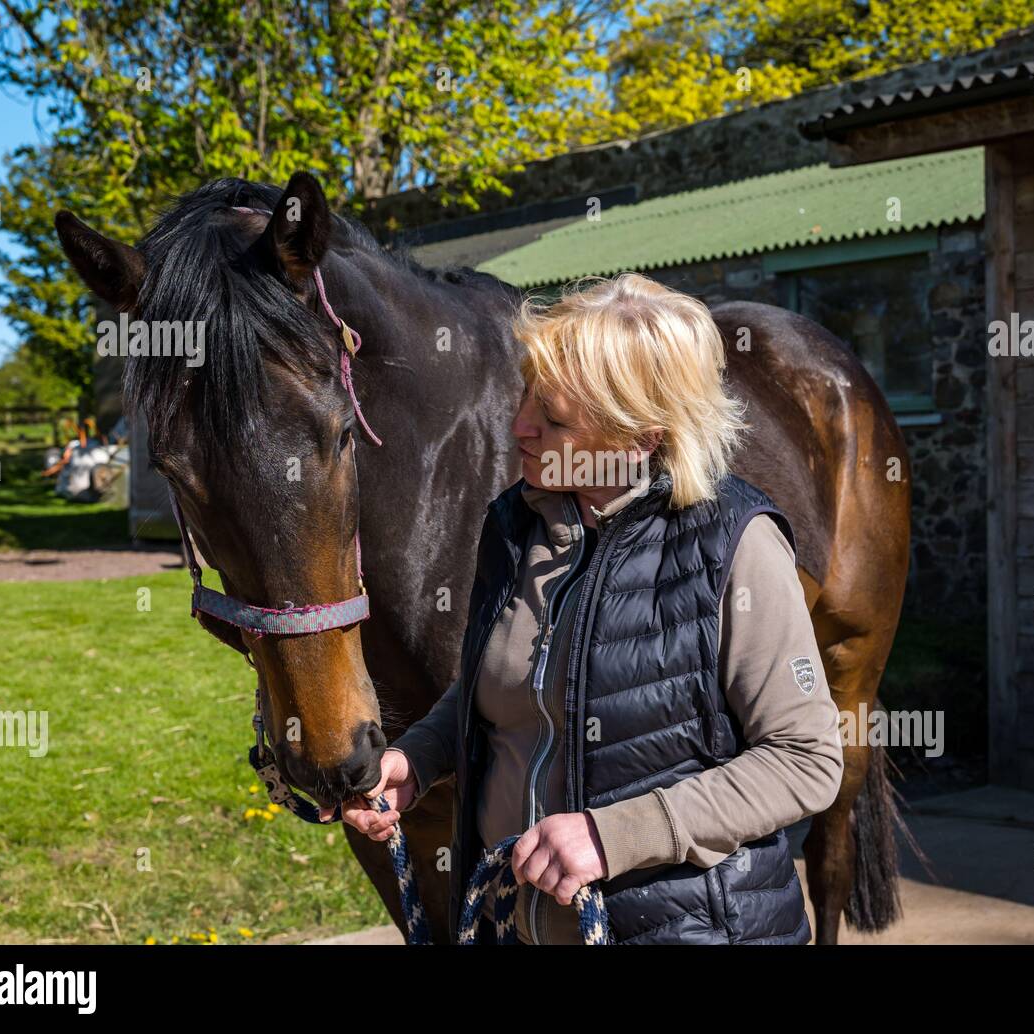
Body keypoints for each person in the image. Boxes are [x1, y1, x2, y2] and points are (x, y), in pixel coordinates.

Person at [328, 273, 843, 944]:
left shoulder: (738, 546)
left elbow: (807, 761)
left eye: (556, 419)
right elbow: (502, 682)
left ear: (641, 438)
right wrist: (416, 762)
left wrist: (614, 836)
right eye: (526, 396)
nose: (521, 426)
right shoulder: (515, 525)